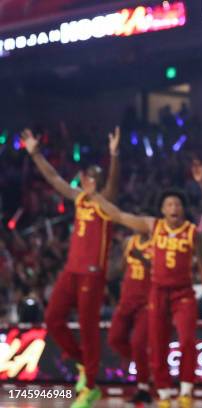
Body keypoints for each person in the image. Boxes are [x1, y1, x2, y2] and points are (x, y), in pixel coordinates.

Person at [87, 188, 202, 408]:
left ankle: (186, 390)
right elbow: (118, 215)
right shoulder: (153, 226)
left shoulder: (192, 232)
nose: (174, 208)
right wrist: (96, 197)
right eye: (169, 205)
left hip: (183, 293)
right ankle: (164, 393)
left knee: (187, 340)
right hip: (157, 292)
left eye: (177, 204)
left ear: (183, 209)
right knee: (158, 345)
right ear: (162, 210)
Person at [21, 127, 120, 408]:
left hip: (92, 272)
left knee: (89, 329)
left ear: (97, 183)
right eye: (86, 177)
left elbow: (113, 184)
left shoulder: (104, 203)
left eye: (93, 178)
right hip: (70, 270)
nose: (88, 181)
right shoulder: (78, 198)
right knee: (53, 319)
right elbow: (53, 179)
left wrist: (114, 156)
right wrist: (35, 152)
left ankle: (90, 387)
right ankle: (80, 362)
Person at [107, 232, 153, 404]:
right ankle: (147, 369)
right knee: (114, 339)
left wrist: (141, 257)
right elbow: (120, 269)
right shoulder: (129, 241)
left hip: (146, 302)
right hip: (127, 299)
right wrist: (111, 257)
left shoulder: (158, 243)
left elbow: (160, 269)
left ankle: (143, 388)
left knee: (138, 344)